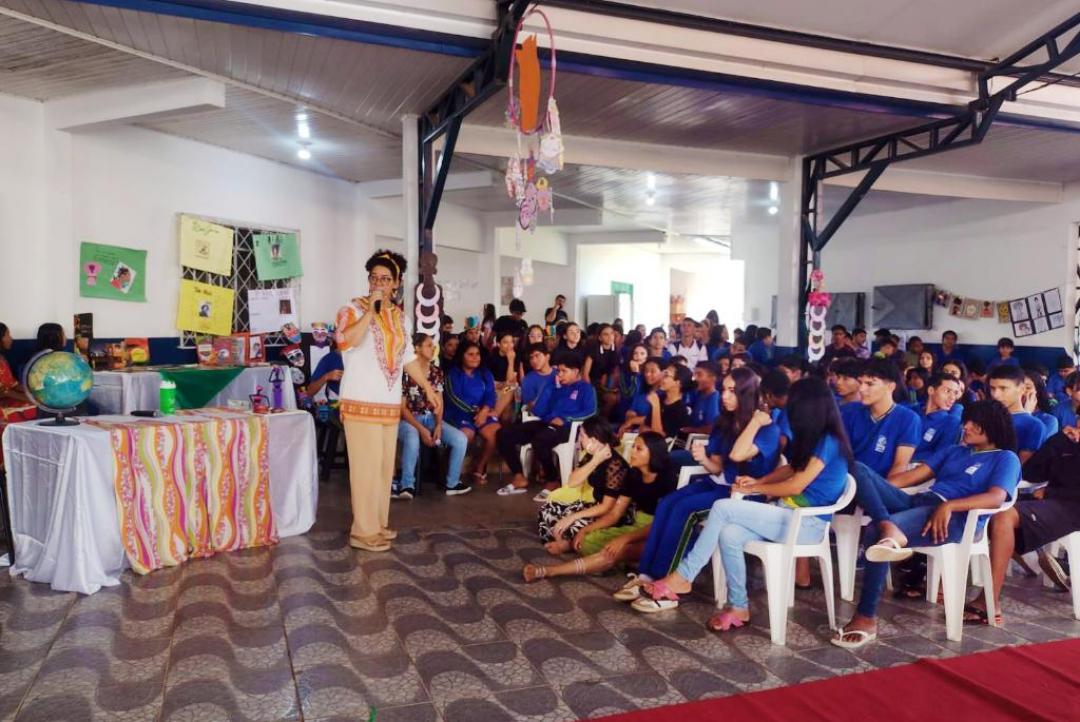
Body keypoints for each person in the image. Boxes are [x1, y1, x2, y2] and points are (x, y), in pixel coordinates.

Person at [635, 377, 852, 629]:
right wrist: (757, 481)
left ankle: (684, 576)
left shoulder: (829, 441)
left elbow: (795, 485)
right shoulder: (816, 438)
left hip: (806, 523)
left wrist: (758, 486)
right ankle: (739, 606)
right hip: (787, 516)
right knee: (729, 534)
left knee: (722, 508)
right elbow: (791, 469)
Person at [831, 400, 1021, 648]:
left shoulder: (1005, 458)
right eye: (967, 421)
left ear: (992, 427)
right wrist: (872, 489)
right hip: (920, 503)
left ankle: (865, 617)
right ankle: (888, 525)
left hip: (952, 520)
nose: (967, 426)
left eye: (974, 423)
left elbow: (996, 498)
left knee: (876, 532)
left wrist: (949, 506)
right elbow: (907, 479)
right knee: (857, 469)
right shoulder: (955, 451)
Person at [617, 368, 781, 606]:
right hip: (717, 484)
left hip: (742, 496)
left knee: (685, 511)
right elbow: (719, 467)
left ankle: (667, 580)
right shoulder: (725, 422)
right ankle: (646, 574)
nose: (724, 396)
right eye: (724, 389)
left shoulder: (767, 429)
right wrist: (704, 458)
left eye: (732, 391)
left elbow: (737, 455)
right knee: (668, 504)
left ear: (747, 395)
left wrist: (755, 421)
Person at [335, 250, 441, 552]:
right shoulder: (353, 309)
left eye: (385, 279)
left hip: (388, 403)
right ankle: (362, 532)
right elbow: (345, 341)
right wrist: (371, 311)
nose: (378, 283)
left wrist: (428, 389)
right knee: (365, 469)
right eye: (374, 278)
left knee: (383, 469)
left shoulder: (399, 317)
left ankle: (378, 524)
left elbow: (407, 358)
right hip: (360, 400)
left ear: (396, 283)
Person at [523, 431, 676, 582]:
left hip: (658, 531)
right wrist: (584, 530)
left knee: (612, 552)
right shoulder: (633, 474)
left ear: (653, 454)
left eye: (639, 449)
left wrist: (624, 539)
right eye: (634, 446)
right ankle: (626, 561)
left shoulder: (666, 478)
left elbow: (661, 523)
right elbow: (615, 513)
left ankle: (548, 571)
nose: (632, 452)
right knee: (586, 541)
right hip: (636, 525)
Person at [973, 421, 1080, 622]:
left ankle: (989, 601)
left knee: (1004, 515)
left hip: (1073, 508)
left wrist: (1050, 491)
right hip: (1052, 503)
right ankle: (1030, 555)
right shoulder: (1067, 443)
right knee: (988, 510)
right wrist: (1057, 441)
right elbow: (1031, 472)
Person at [496, 354, 597, 495]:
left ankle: (552, 480)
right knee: (503, 434)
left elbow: (591, 412)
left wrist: (567, 419)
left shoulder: (586, 389)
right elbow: (539, 410)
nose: (560, 375)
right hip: (546, 423)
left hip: (567, 428)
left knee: (540, 440)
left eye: (564, 371)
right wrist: (550, 387)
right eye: (559, 371)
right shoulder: (556, 387)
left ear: (575, 371)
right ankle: (519, 476)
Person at [393, 334, 471, 499]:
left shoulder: (436, 371)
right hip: (408, 419)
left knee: (460, 439)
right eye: (429, 345)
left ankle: (452, 483)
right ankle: (407, 485)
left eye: (433, 345)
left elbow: (439, 402)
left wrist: (438, 425)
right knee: (412, 435)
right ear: (417, 348)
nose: (433, 348)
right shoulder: (405, 372)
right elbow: (402, 408)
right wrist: (421, 429)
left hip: (430, 418)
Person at [536, 417, 632, 552]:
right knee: (547, 510)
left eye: (582, 436)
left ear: (593, 439)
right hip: (594, 506)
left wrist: (572, 517)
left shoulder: (615, 465)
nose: (579, 440)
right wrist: (595, 461)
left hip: (610, 514)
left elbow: (607, 507)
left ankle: (566, 543)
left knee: (571, 522)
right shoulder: (591, 455)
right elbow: (572, 482)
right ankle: (564, 541)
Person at [843, 359, 922, 482]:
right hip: (846, 482)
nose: (862, 389)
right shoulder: (850, 411)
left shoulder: (908, 419)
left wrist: (880, 493)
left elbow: (899, 467)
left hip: (879, 486)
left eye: (869, 384)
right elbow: (839, 454)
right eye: (860, 382)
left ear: (890, 387)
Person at [445, 340, 502, 484]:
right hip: (460, 414)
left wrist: (485, 410)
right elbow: (454, 398)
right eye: (470, 354)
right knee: (466, 435)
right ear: (461, 356)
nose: (475, 357)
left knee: (496, 434)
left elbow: (491, 395)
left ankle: (478, 468)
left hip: (483, 412)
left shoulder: (485, 373)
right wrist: (477, 412)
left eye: (477, 354)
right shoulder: (453, 374)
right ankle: (450, 472)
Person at [988, 365, 1047, 463]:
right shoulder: (985, 417)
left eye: (1003, 388)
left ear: (1022, 389)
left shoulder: (1033, 425)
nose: (996, 395)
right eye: (992, 388)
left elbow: (1021, 468)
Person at [913, 372, 963, 462]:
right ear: (931, 390)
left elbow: (939, 456)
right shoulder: (911, 411)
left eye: (955, 393)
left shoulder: (951, 422)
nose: (952, 397)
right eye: (947, 391)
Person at [618, 356, 665, 437]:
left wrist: (632, 421)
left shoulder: (663, 395)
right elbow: (631, 411)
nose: (648, 374)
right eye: (646, 371)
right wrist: (629, 424)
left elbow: (659, 419)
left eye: (653, 371)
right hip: (632, 430)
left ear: (663, 373)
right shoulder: (642, 391)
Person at [645, 363, 691, 439]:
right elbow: (644, 426)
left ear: (678, 382)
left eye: (666, 376)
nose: (662, 378)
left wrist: (656, 406)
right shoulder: (661, 398)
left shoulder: (680, 410)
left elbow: (658, 437)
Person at [486, 331, 519, 421]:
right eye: (505, 342)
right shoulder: (491, 357)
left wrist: (511, 361)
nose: (509, 345)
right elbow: (488, 380)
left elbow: (510, 380)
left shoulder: (514, 356)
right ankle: (496, 416)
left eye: (511, 342)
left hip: (506, 390)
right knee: (507, 405)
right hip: (493, 389)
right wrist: (501, 384)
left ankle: (496, 415)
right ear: (498, 344)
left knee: (511, 388)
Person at [520, 343, 555, 411]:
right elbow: (530, 406)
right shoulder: (528, 380)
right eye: (531, 358)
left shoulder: (560, 374)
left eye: (537, 355)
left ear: (547, 357)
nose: (534, 360)